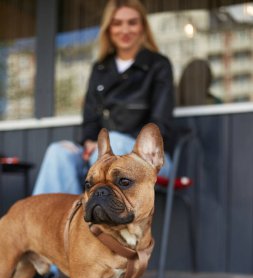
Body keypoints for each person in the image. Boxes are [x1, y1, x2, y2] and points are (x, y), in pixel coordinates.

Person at [33, 0, 174, 197]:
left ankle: (92, 219)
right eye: (117, 23)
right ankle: (52, 222)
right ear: (108, 29)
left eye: (132, 22)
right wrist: (90, 142)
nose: (125, 29)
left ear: (142, 26)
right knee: (58, 152)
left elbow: (160, 125)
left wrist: (105, 145)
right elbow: (90, 118)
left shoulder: (158, 65)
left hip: (146, 157)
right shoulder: (100, 68)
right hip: (100, 151)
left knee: (111, 144)